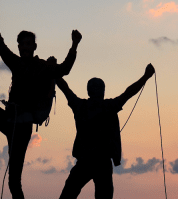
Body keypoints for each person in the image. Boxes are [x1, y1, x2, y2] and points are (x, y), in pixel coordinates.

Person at [0, 0, 81, 199]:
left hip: (22, 128)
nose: (24, 47)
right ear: (19, 48)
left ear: (34, 47)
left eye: (28, 44)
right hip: (8, 120)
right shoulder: (16, 63)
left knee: (13, 182)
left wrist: (74, 45)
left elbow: (65, 69)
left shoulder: (43, 67)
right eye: (21, 44)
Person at [56, 63, 155, 199]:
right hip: (102, 163)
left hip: (84, 162)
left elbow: (65, 88)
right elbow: (128, 92)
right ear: (103, 91)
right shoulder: (109, 106)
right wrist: (146, 76)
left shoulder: (80, 106)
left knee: (68, 194)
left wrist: (53, 71)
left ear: (88, 91)